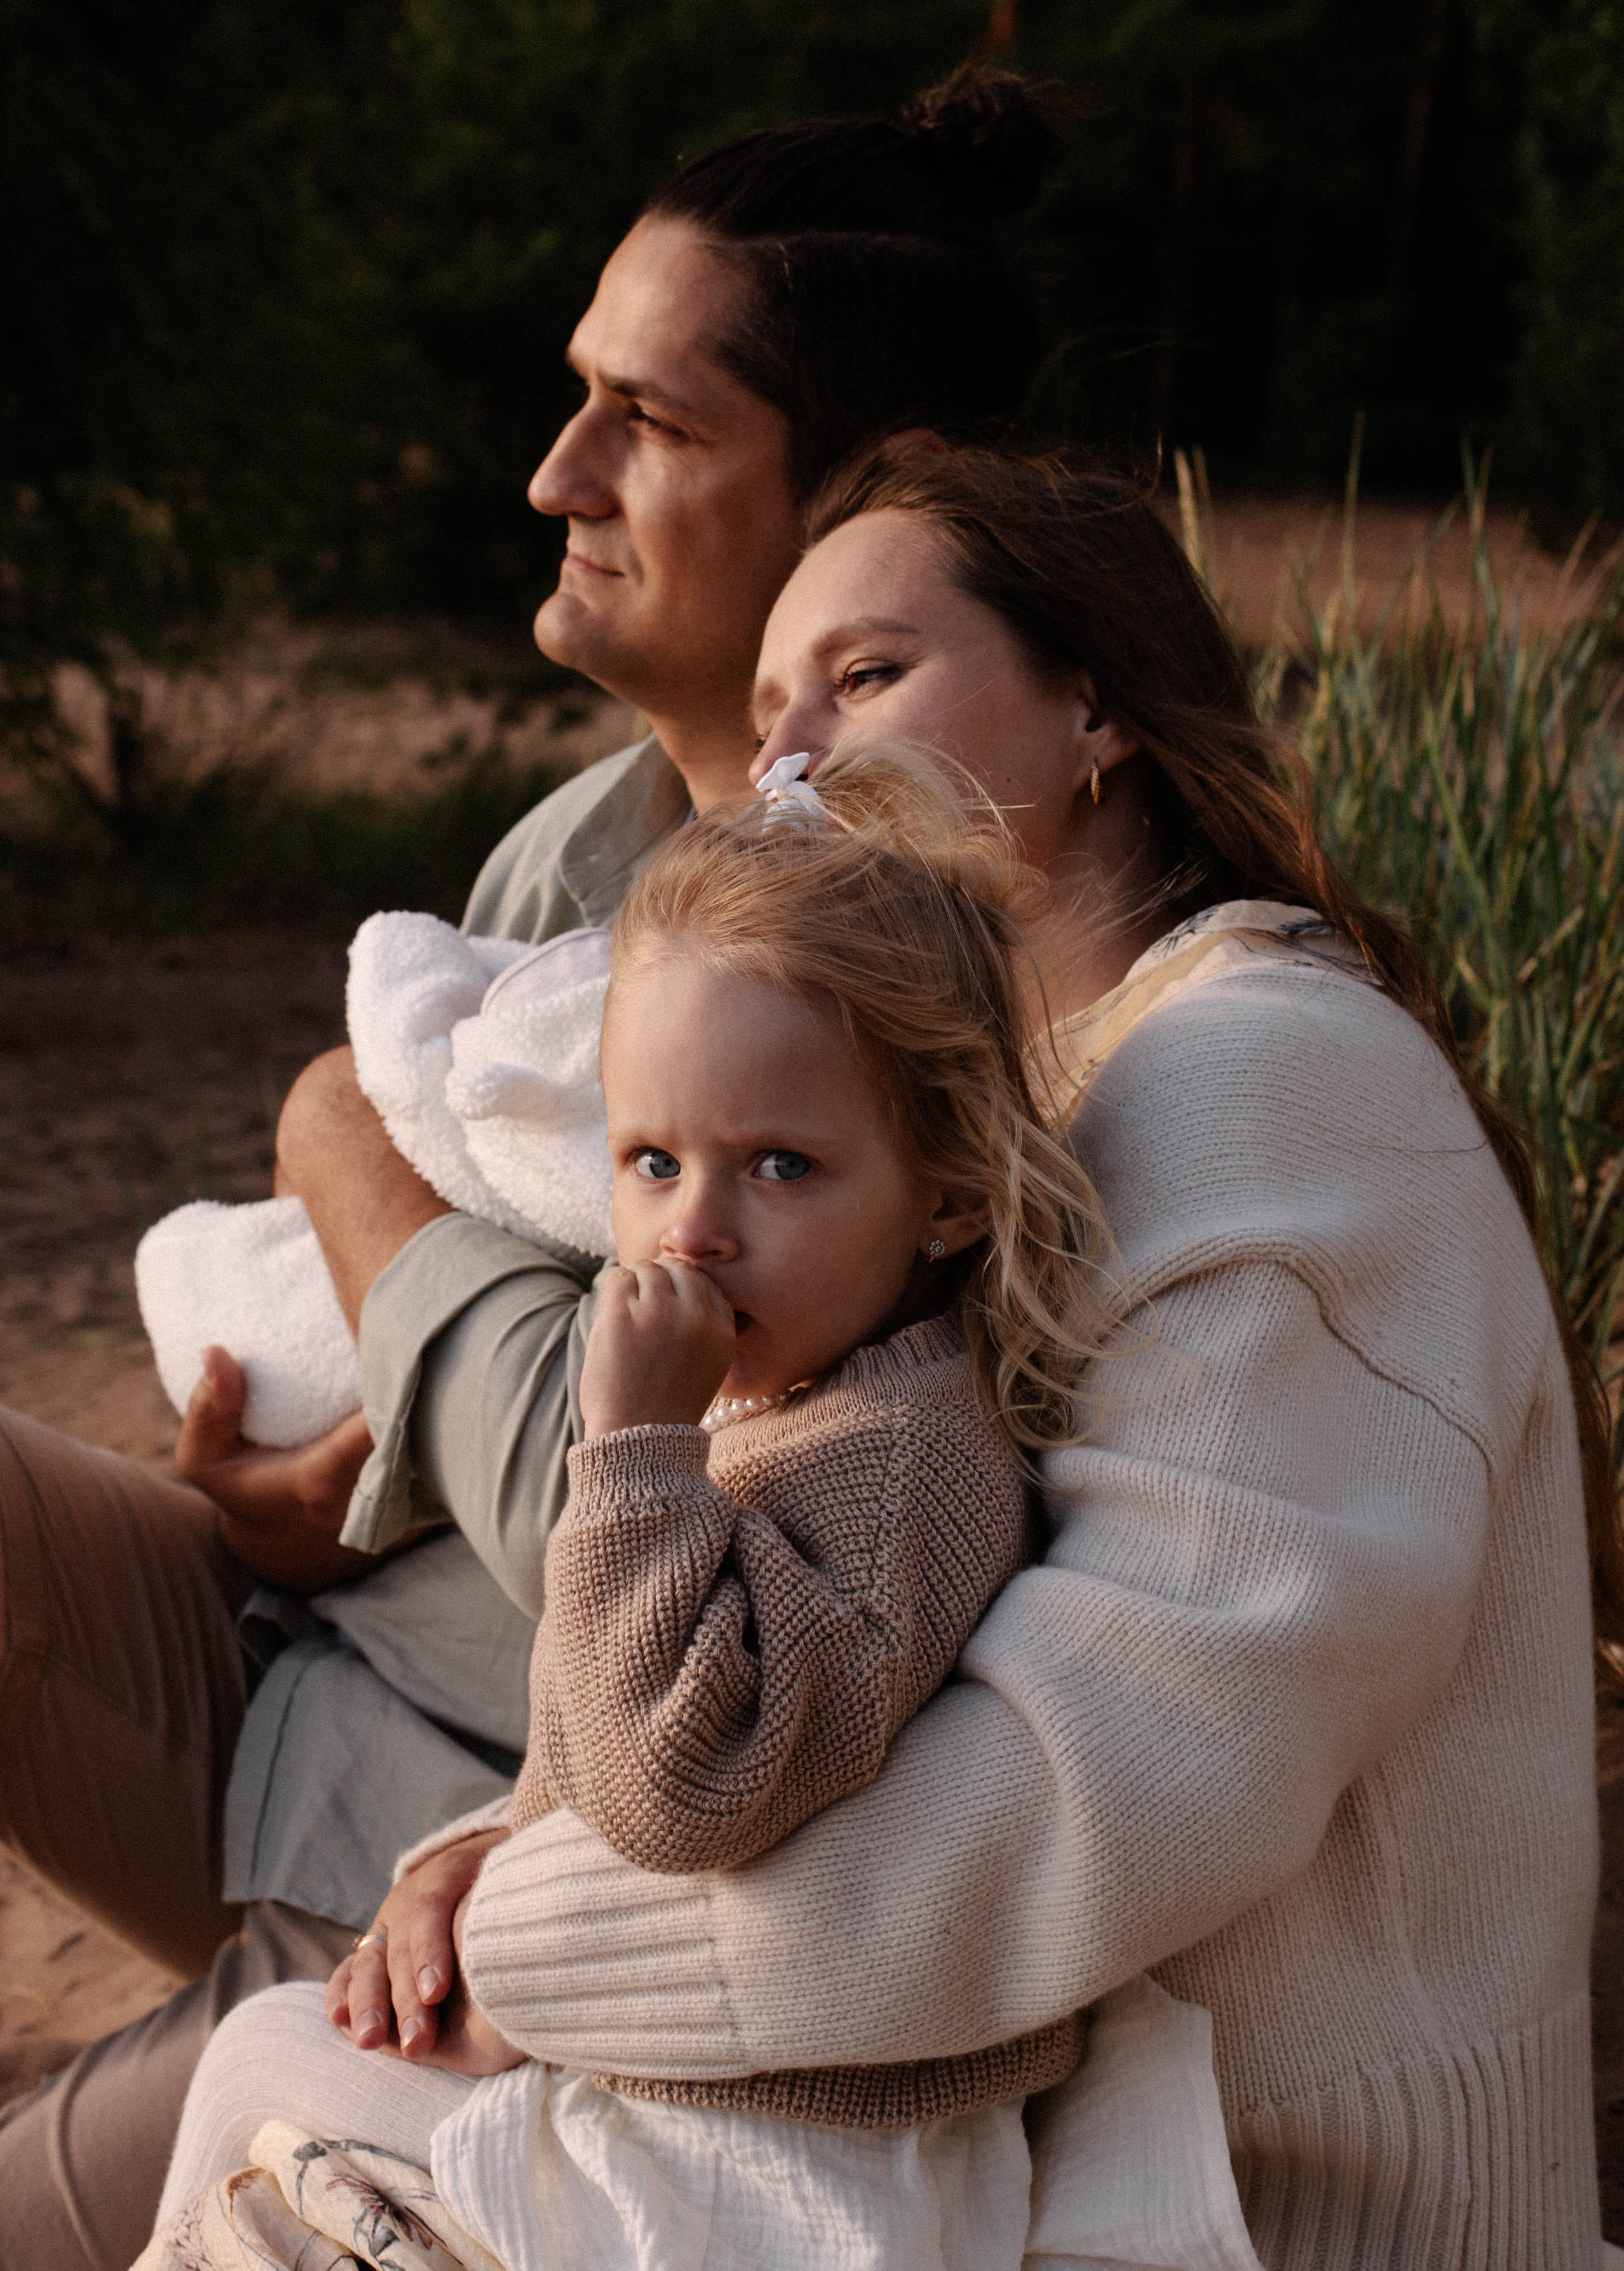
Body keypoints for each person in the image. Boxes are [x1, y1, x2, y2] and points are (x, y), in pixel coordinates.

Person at [328, 440, 1614, 2268]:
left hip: (1282, 2211)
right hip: (1031, 2166)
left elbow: (1072, 1794)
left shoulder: (1259, 1080)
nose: (791, 762)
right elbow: (881, 1631)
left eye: (863, 678)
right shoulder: (1020, 1123)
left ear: (1093, 710)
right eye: (772, 712)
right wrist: (496, 1840)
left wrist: (530, 1933)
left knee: (252, 2107)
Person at [0, 71, 1066, 2270]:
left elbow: (675, 1414)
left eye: (643, 423)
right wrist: (345, 1451)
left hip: (491, 1853)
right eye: (574, 399)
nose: (549, 473)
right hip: (315, 1642)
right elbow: (483, 1375)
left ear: (860, 491)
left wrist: (331, 1152)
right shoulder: (574, 852)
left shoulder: (938, 943)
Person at [145, 744, 1121, 2271]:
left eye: (780, 1165)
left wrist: (634, 1452)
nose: (696, 1229)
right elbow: (600, 1744)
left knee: (264, 2071)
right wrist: (469, 1852)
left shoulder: (904, 1459)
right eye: (652, 1159)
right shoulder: (806, 1402)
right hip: (696, 2111)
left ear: (947, 1191)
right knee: (263, 2066)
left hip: (790, 2169)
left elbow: (690, 1782)